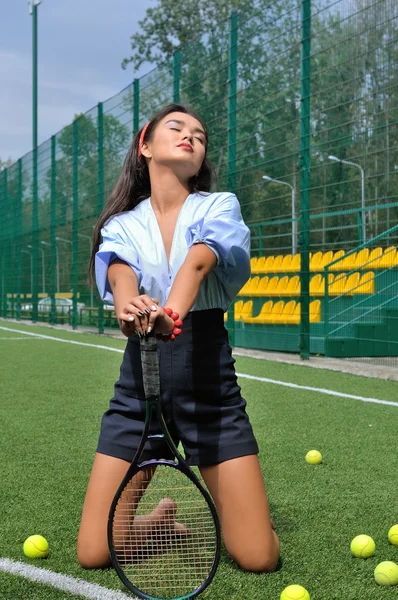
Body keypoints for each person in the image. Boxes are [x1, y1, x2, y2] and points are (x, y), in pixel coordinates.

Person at [77, 103, 280, 573]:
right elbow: (122, 274)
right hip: (138, 390)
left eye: (200, 134)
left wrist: (170, 313)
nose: (190, 136)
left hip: (210, 389)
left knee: (258, 557)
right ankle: (163, 522)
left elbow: (200, 259)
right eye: (176, 127)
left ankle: (247, 518)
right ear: (145, 145)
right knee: (94, 554)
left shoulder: (219, 205)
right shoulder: (120, 224)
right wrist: (131, 311)